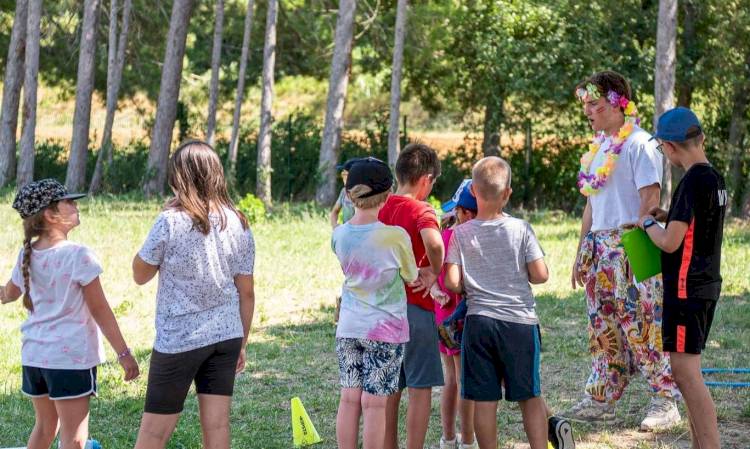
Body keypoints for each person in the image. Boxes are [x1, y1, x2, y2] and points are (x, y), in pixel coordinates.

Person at [568, 71, 681, 429]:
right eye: (585, 105)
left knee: (643, 323)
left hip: (630, 243)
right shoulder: (599, 146)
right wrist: (581, 249)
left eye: (595, 105)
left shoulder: (640, 143)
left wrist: (635, 242)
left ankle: (665, 400)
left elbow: (650, 197)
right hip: (599, 246)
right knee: (602, 325)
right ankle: (603, 394)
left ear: (617, 103)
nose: (588, 112)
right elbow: (591, 203)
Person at [132, 141, 256, 449]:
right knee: (217, 428)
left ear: (179, 177)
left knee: (152, 434)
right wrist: (242, 341)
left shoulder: (170, 221)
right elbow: (247, 292)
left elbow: (140, 274)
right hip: (226, 334)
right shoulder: (238, 221)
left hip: (180, 338)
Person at [444, 157, 574, 449]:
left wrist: (470, 284)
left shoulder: (460, 234)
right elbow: (540, 275)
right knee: (529, 395)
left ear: (473, 192)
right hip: (520, 324)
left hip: (478, 325)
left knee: (484, 399)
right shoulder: (521, 228)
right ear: (508, 194)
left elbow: (452, 281)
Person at [0, 179, 139, 449]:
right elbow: (101, 310)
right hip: (69, 361)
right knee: (75, 440)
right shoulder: (79, 256)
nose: (76, 205)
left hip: (35, 357)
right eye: (69, 202)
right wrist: (124, 353)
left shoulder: (26, 254)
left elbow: (9, 293)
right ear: (51, 215)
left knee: (44, 428)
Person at [639, 107, 725, 449]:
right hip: (705, 285)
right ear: (700, 138)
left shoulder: (690, 182)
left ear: (669, 148)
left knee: (687, 376)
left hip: (686, 290)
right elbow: (695, 225)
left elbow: (670, 242)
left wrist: (647, 223)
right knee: (688, 373)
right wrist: (667, 214)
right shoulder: (713, 177)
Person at [332, 157, 419, 449]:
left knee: (349, 398)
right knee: (375, 404)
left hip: (348, 327)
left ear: (349, 195)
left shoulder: (339, 235)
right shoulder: (395, 237)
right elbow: (410, 275)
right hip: (386, 331)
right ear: (387, 195)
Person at [379, 143, 445, 449]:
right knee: (420, 387)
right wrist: (434, 270)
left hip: (382, 310)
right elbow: (434, 242)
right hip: (416, 309)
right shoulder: (421, 209)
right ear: (425, 179)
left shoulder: (379, 206)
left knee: (391, 386)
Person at [431, 179, 478, 449]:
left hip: (443, 316)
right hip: (461, 318)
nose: (451, 214)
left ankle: (448, 438)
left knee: (451, 378)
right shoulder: (468, 238)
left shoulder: (445, 235)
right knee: (464, 380)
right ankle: (468, 440)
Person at [330, 161, 356, 229]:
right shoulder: (344, 191)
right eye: (342, 174)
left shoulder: (365, 194)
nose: (343, 177)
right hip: (346, 234)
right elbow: (334, 212)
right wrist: (335, 227)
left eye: (345, 174)